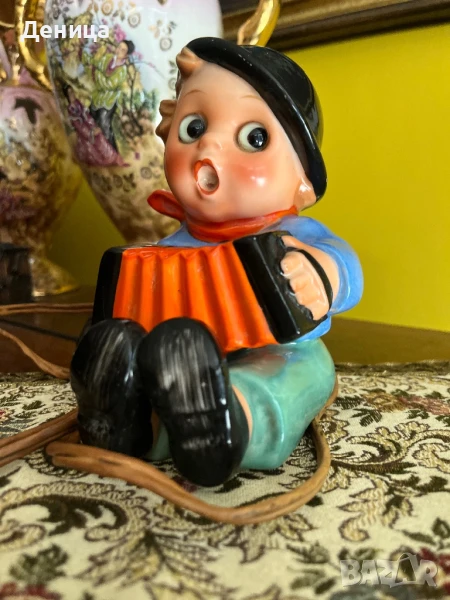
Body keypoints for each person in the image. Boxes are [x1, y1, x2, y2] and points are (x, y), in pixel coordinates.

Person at [71, 38, 363, 487]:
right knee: (143, 359)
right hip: (177, 361)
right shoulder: (166, 250)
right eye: (193, 128)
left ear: (303, 184)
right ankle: (129, 419)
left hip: (279, 351)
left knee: (298, 376)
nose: (208, 144)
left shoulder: (293, 236)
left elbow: (347, 266)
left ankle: (231, 425)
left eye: (254, 138)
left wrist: (323, 274)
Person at [82, 40, 135, 152]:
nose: (119, 50)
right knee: (90, 118)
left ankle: (112, 152)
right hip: (98, 97)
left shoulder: (122, 70)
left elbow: (109, 84)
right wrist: (83, 56)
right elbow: (95, 63)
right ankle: (94, 148)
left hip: (109, 101)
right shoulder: (108, 58)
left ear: (126, 55)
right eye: (119, 47)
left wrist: (95, 72)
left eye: (123, 50)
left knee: (104, 125)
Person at [62, 84, 127, 167]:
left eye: (72, 91)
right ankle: (111, 160)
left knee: (100, 136)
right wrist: (91, 132)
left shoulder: (78, 103)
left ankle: (115, 158)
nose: (72, 94)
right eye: (70, 93)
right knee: (97, 142)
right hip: (85, 135)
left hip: (90, 127)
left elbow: (87, 116)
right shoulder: (71, 110)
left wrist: (94, 126)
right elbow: (79, 127)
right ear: (67, 96)